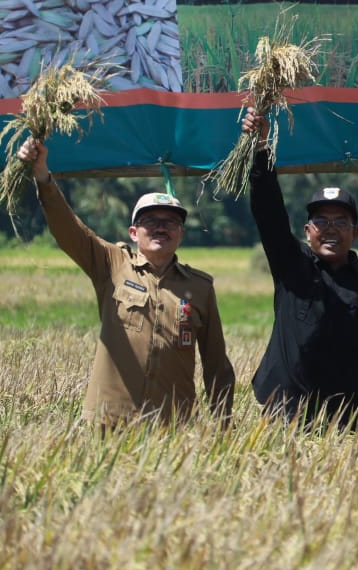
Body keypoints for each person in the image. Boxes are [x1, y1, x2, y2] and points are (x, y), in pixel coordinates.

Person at [17, 138, 234, 427]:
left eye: (170, 222)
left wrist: (223, 423)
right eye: (150, 221)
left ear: (181, 233)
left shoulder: (200, 288)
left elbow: (216, 363)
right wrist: (43, 176)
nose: (161, 227)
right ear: (134, 232)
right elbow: (69, 229)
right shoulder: (111, 264)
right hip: (111, 422)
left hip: (173, 427)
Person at [242, 108, 358, 432]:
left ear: (355, 233)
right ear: (308, 231)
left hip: (343, 421)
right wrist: (261, 148)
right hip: (283, 416)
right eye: (321, 221)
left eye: (340, 222)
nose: (330, 229)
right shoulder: (291, 265)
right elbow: (269, 212)